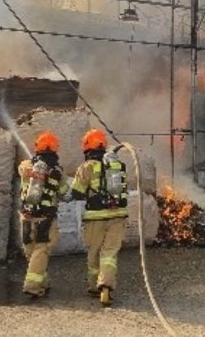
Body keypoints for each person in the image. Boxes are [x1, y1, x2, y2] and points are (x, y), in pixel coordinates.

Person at [70, 129, 128, 307]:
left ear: (86, 146)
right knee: (109, 253)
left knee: (94, 252)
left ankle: (95, 286)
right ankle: (106, 286)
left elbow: (77, 193)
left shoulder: (87, 167)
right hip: (118, 216)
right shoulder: (118, 165)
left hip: (95, 217)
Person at [17, 130, 69, 298]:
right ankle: (32, 285)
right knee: (42, 249)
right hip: (45, 217)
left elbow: (21, 171)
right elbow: (63, 192)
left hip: (26, 216)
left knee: (31, 250)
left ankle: (42, 283)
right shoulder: (58, 171)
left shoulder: (26, 166)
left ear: (37, 148)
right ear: (55, 149)